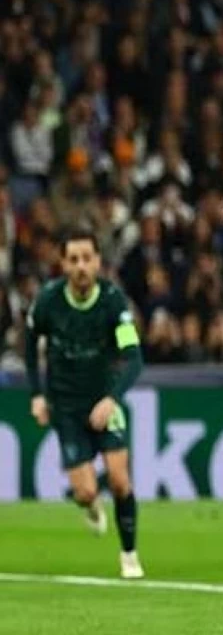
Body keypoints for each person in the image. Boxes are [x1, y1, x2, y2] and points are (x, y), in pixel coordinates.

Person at [25, 227, 145, 579]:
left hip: (103, 402)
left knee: (120, 481)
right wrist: (36, 395)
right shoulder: (48, 301)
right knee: (85, 491)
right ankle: (91, 506)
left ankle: (129, 554)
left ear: (98, 262)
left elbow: (134, 358)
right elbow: (30, 346)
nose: (81, 266)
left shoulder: (112, 302)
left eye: (87, 259)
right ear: (62, 264)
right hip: (66, 407)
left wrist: (112, 399)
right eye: (73, 259)